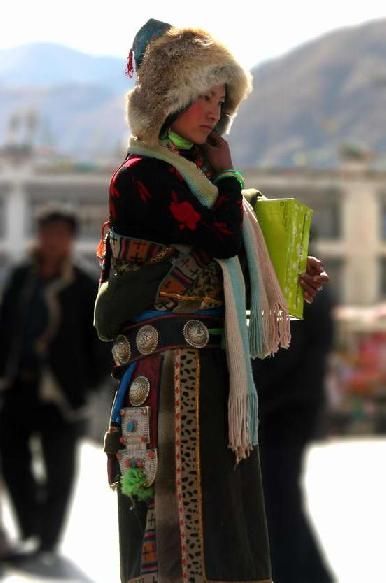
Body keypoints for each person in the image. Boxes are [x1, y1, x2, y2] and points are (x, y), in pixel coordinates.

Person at [94, 19, 328, 583]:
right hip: (170, 370)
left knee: (225, 521)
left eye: (220, 98)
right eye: (200, 95)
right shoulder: (143, 178)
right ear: (168, 99)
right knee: (175, 521)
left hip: (211, 370)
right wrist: (228, 179)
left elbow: (233, 250)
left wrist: (290, 272)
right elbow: (220, 237)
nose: (211, 109)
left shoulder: (201, 177)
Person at [0, 206, 111, 565]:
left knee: (60, 471)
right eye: (48, 233)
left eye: (61, 235)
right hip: (18, 387)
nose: (53, 241)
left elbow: (97, 342)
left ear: (70, 239)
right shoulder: (21, 277)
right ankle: (31, 526)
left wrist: (87, 383)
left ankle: (47, 542)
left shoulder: (82, 284)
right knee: (12, 462)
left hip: (63, 396)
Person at [253, 279, 336, 582]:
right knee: (280, 497)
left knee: (278, 499)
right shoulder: (309, 288)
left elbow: (284, 351)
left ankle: (300, 575)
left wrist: (251, 394)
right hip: (294, 407)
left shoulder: (296, 287)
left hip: (282, 412)